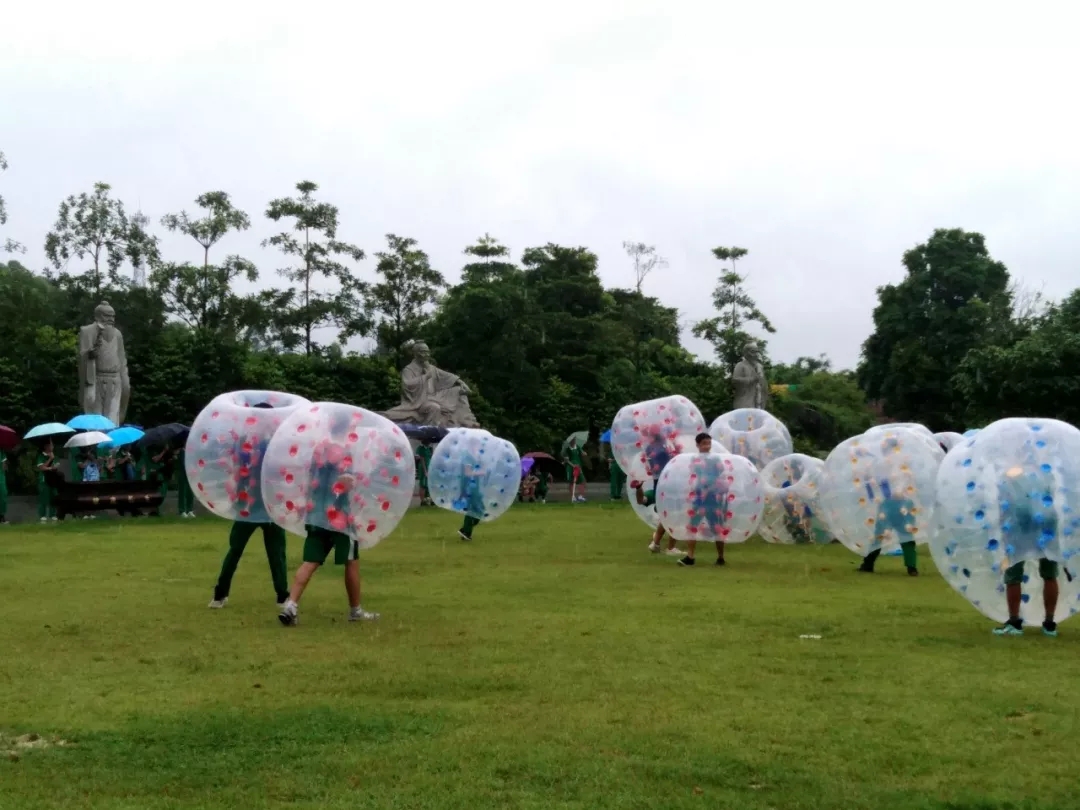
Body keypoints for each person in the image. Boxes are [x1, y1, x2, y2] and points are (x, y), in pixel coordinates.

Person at [279, 409, 378, 626]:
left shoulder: (319, 449)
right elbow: (346, 480)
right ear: (347, 427)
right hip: (339, 517)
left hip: (316, 514)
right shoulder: (345, 451)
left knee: (310, 561)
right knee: (351, 562)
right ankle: (355, 610)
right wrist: (357, 479)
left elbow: (310, 478)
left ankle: (291, 605)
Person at [210, 402, 290, 609]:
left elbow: (237, 471)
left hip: (251, 504)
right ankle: (281, 596)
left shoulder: (246, 441)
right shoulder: (272, 442)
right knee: (272, 552)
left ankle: (220, 594)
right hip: (261, 505)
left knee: (240, 550)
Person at [993, 468, 1061, 637]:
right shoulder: (1047, 470)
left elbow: (1004, 501)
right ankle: (1050, 623)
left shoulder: (1009, 471)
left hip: (1018, 523)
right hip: (1047, 523)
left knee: (1013, 572)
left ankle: (1015, 622)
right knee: (1049, 574)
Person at [677, 433, 728, 567]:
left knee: (716, 527)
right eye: (704, 443)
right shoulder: (694, 459)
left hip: (712, 497)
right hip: (699, 496)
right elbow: (693, 475)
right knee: (692, 525)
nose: (707, 446)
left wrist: (712, 485)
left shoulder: (715, 459)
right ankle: (690, 556)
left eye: (709, 443)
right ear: (698, 445)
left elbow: (721, 473)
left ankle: (721, 557)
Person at [856, 477, 918, 576]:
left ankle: (912, 568)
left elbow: (909, 516)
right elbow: (883, 516)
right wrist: (887, 529)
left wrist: (908, 524)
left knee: (908, 541)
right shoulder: (886, 502)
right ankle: (867, 565)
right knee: (877, 540)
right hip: (886, 521)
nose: (897, 491)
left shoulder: (908, 502)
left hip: (902, 523)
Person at [456, 440, 486, 541]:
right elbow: (467, 473)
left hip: (474, 487)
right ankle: (465, 532)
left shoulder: (474, 458)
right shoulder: (467, 457)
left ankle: (465, 531)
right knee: (475, 510)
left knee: (478, 510)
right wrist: (480, 472)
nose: (478, 448)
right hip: (469, 487)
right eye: (477, 445)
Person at [36, 441, 58, 522]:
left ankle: (53, 514)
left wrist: (54, 466)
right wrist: (50, 459)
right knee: (43, 497)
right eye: (50, 445)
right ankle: (42, 515)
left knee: (53, 496)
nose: (52, 447)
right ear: (46, 446)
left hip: (53, 479)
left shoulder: (54, 455)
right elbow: (42, 467)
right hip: (44, 479)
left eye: (53, 445)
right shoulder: (41, 456)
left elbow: (55, 466)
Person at [563, 437, 587, 503]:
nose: (573, 442)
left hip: (578, 466)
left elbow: (582, 453)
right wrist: (573, 466)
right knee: (571, 482)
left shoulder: (578, 447)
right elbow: (567, 460)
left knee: (583, 481)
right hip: (571, 467)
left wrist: (584, 453)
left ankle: (581, 496)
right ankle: (573, 497)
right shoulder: (567, 450)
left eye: (574, 440)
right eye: (572, 441)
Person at [176, 446, 196, 518]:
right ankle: (182, 510)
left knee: (190, 492)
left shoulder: (192, 451)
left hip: (191, 474)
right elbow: (182, 463)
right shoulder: (181, 451)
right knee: (182, 492)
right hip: (183, 474)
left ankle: (189, 510)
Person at [415, 441, 433, 505]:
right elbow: (421, 459)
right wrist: (425, 471)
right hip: (423, 468)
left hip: (429, 467)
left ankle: (428, 499)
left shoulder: (429, 449)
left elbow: (431, 458)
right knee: (423, 484)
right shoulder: (420, 448)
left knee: (428, 484)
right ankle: (422, 501)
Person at [0, 449, 8, 524]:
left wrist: (5, 465)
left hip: (1, 478)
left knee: (2, 496)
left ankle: (1, 516)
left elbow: (4, 467)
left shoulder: (1, 452)